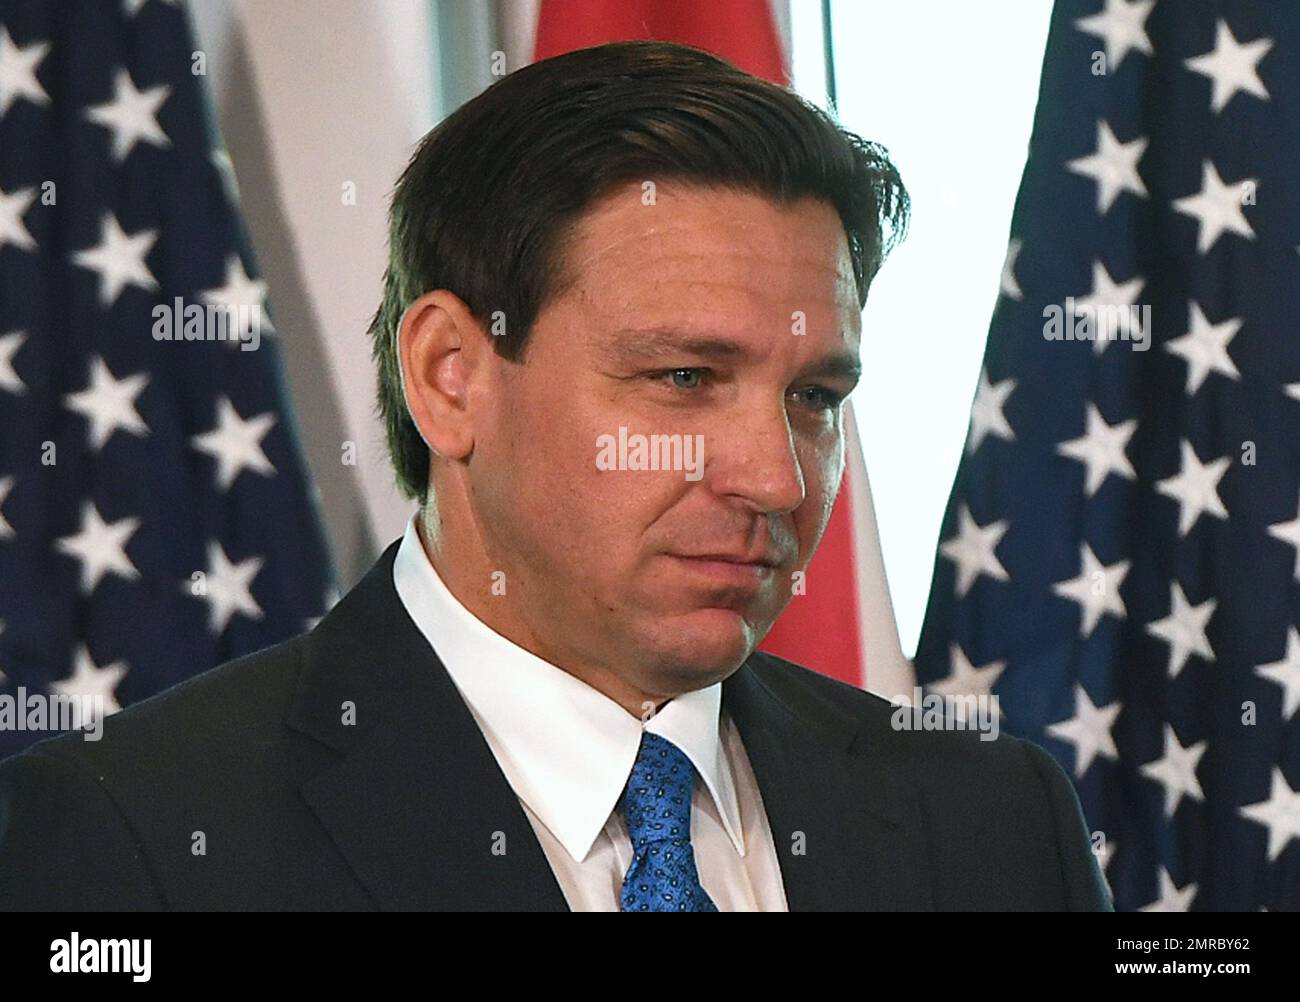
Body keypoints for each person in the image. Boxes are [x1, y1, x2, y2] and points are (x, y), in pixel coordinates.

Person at [0, 40, 1111, 911]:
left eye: (814, 398)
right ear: (450, 378)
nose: (776, 480)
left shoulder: (990, 823)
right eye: (683, 377)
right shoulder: (137, 836)